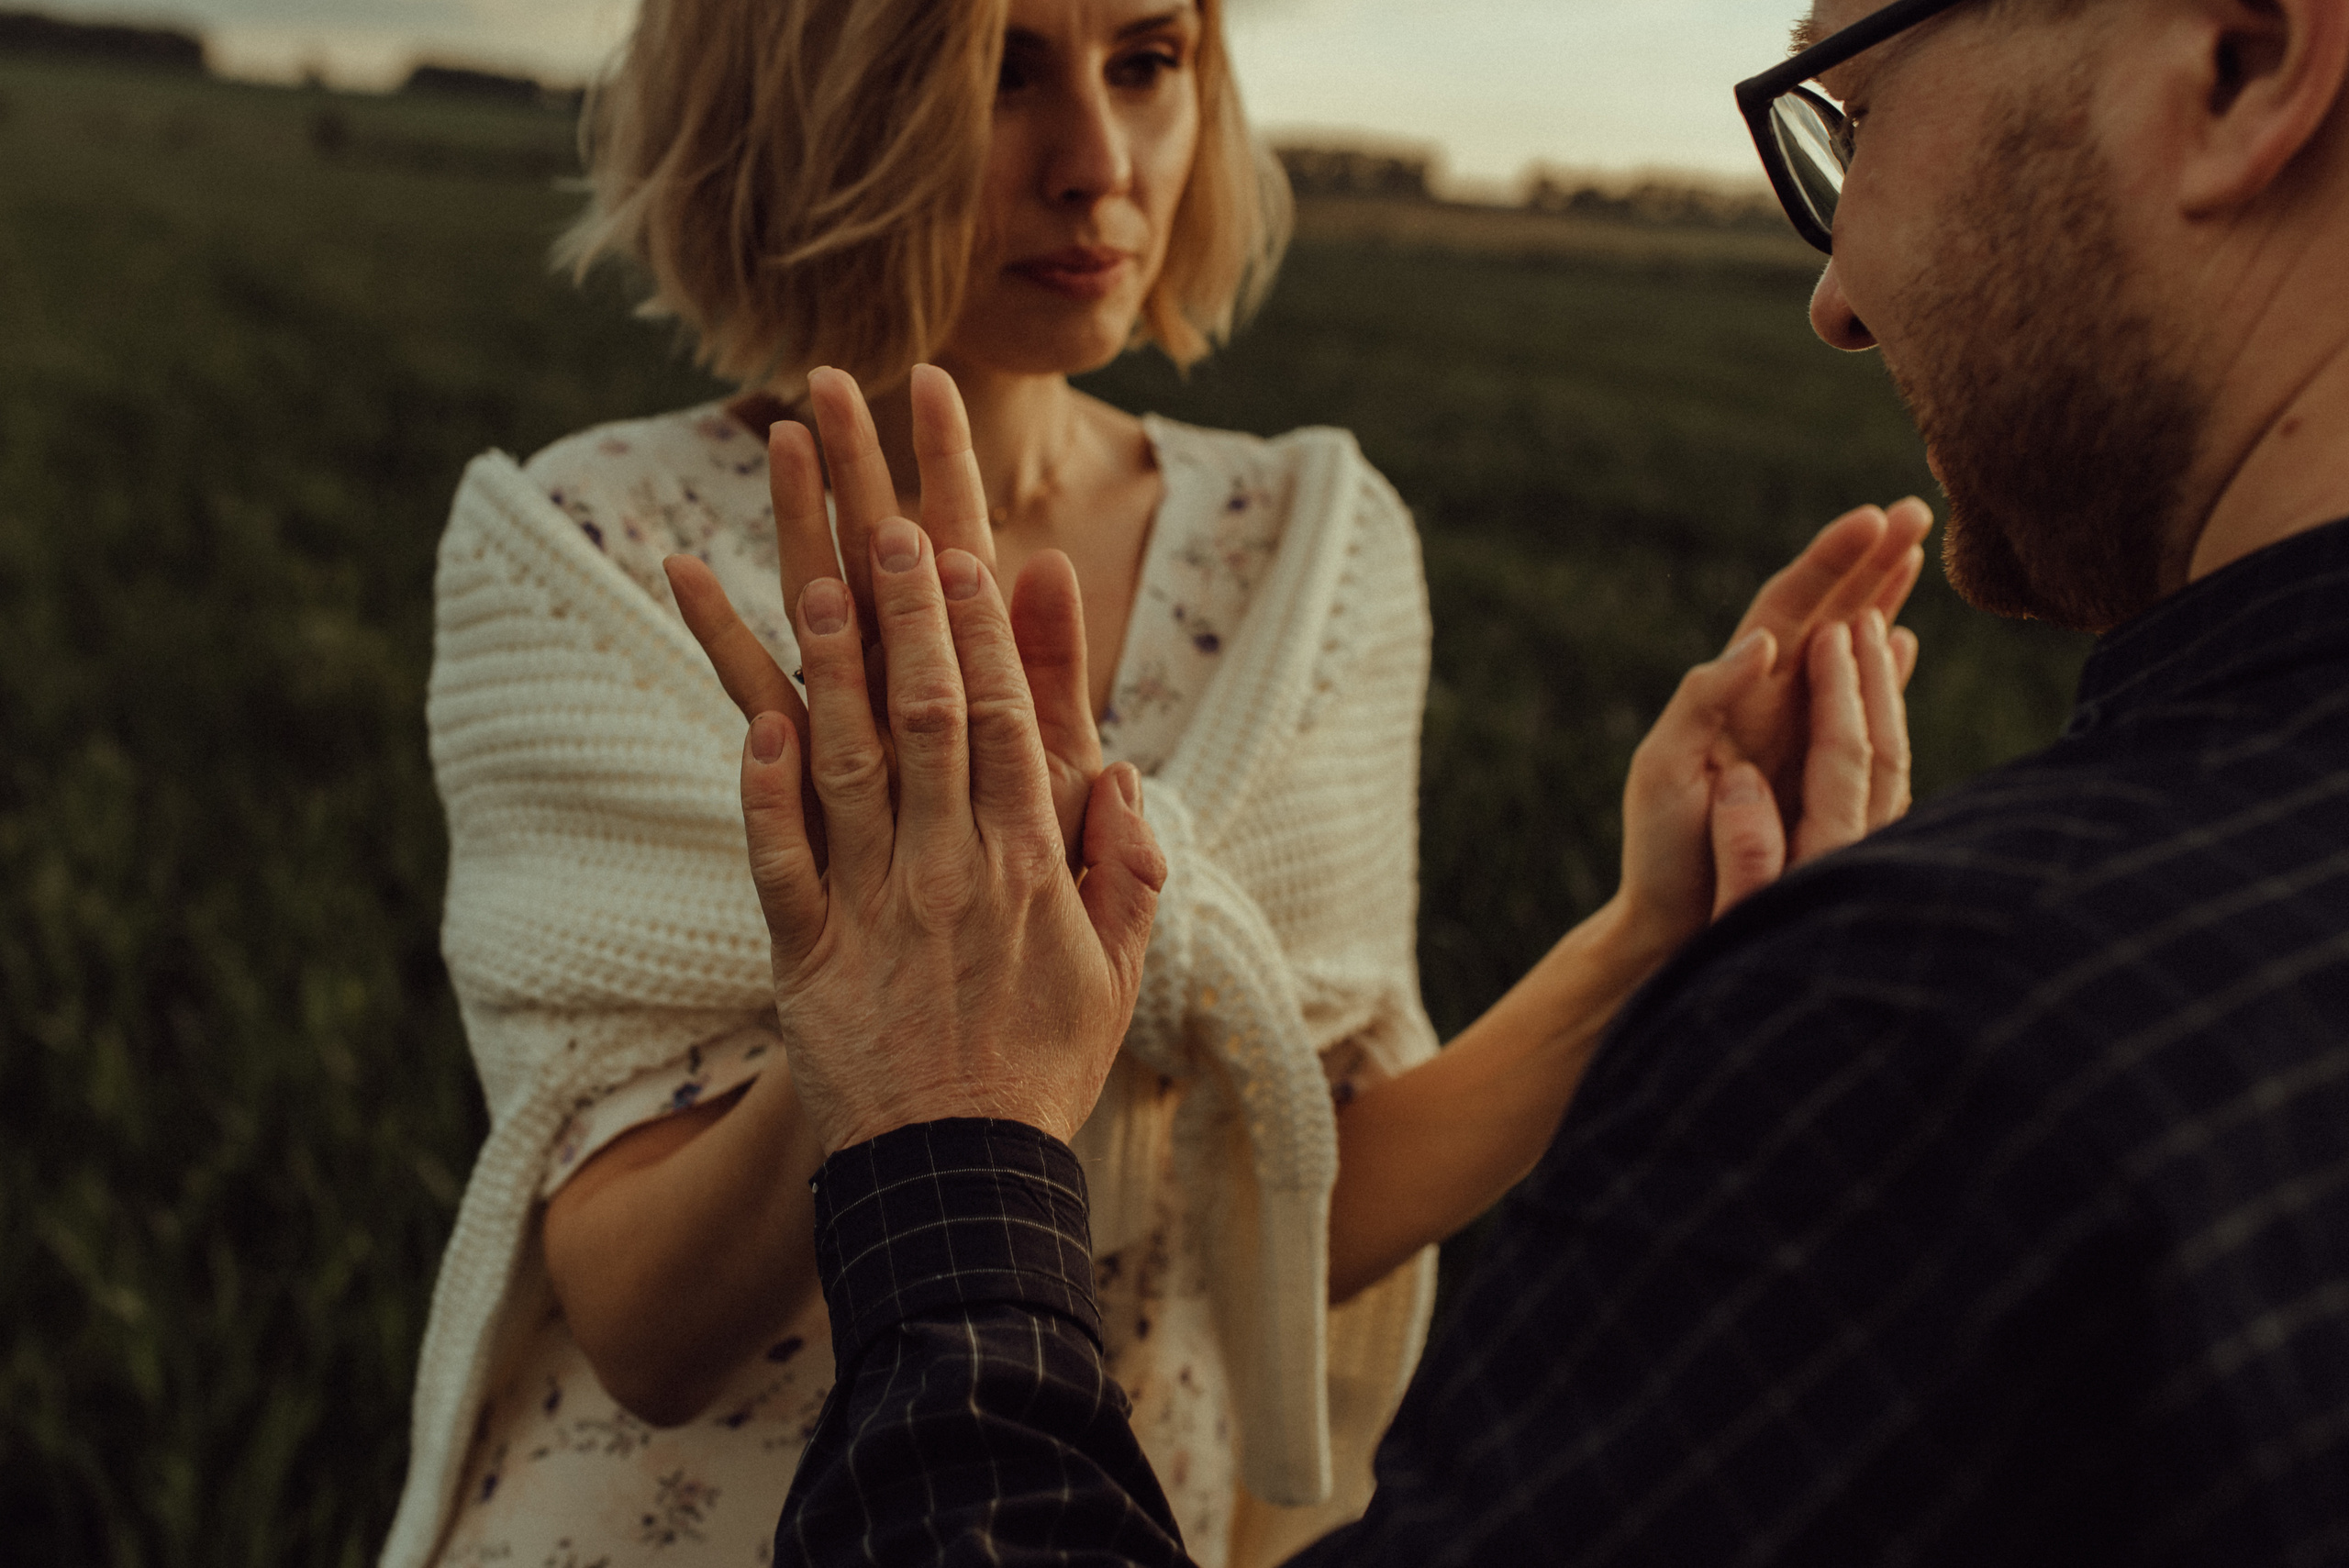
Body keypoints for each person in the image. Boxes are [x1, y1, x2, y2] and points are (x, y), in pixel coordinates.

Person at [696, 0, 2349, 1562]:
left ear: (2241, 61)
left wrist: (945, 1121)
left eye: (1852, 108)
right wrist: (1649, 943)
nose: (1834, 295)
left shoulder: (1931, 1019)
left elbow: (1296, 1196)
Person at [380, 2, 1925, 1565]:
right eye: (1001, 72)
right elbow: (643, 1335)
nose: (1099, 163)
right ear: (802, 102)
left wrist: (1654, 933)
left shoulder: (1309, 551)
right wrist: (898, 1006)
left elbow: (1284, 1217)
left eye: (1147, 62)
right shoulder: (594, 553)